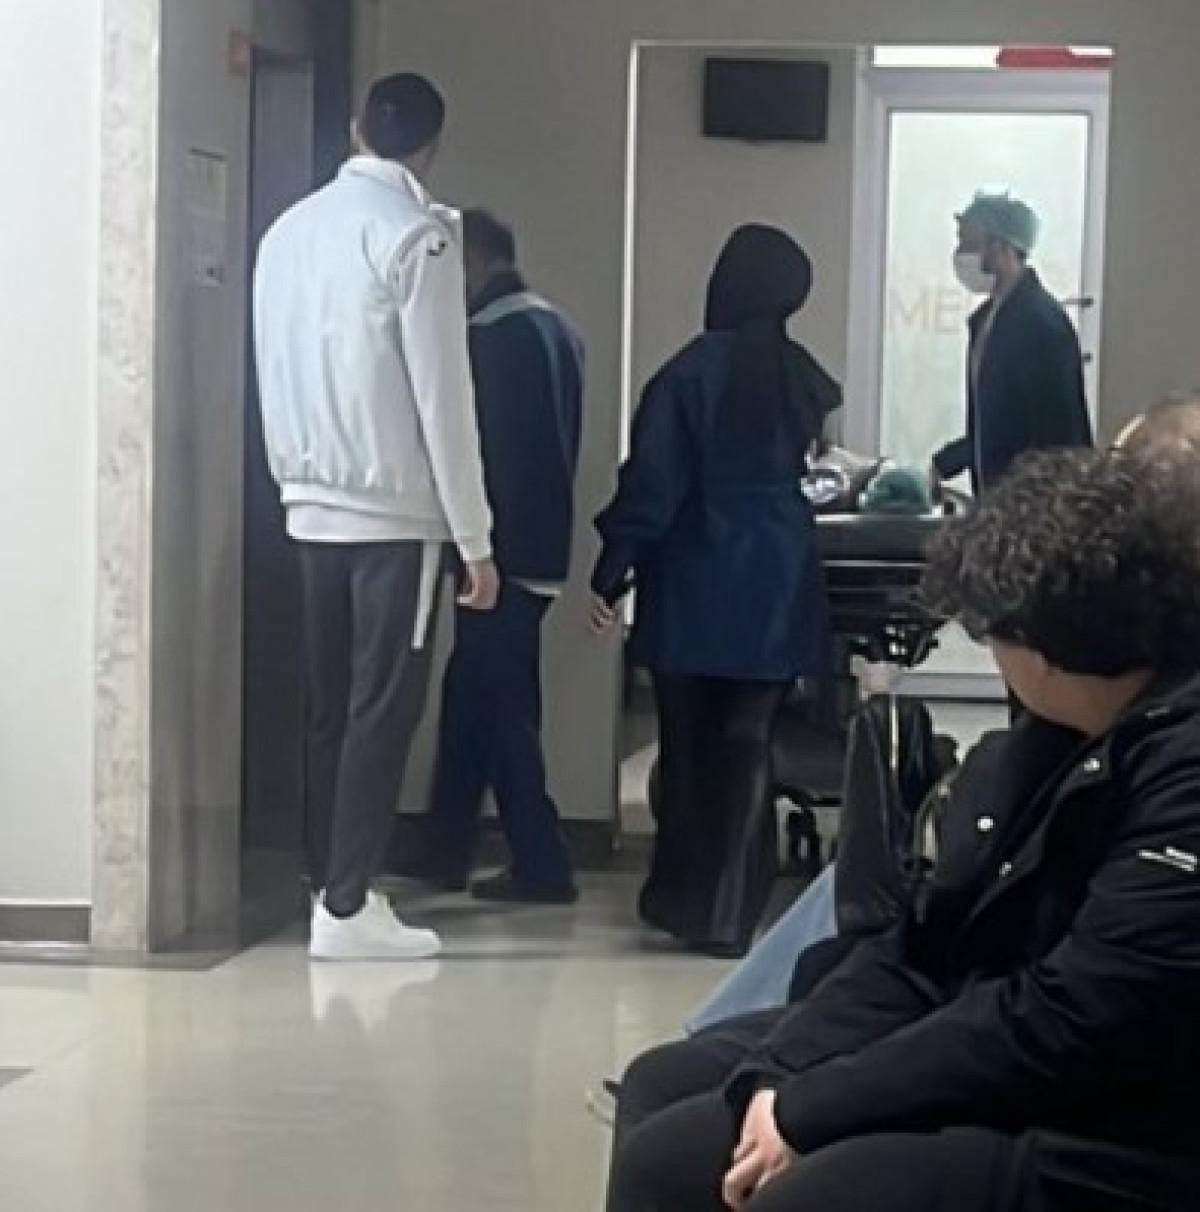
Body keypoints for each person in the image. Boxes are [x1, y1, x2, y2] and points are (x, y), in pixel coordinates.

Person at [606, 446, 1200, 1212]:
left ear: (1039, 650)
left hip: (1120, 1119)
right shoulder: (1046, 741)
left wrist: (822, 1107)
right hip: (998, 1028)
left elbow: (1073, 1019)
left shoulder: (1180, 769)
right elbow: (923, 942)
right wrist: (784, 1074)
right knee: (667, 1131)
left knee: (808, 1196)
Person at [253, 74, 498, 962]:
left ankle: (327, 879)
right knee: (382, 708)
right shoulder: (417, 237)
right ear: (431, 145)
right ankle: (350, 907)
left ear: (358, 129)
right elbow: (444, 397)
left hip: (306, 500)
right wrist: (474, 539)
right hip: (396, 513)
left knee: (329, 705)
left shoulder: (286, 233)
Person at [591, 225, 842, 956]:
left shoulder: (686, 376)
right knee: (748, 742)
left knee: (688, 746)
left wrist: (613, 566)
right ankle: (733, 914)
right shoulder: (803, 378)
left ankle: (682, 898)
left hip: (696, 577)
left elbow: (654, 486)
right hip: (778, 576)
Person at [407, 210, 584, 904]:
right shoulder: (557, 329)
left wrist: (472, 547)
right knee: (473, 696)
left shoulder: (489, 340)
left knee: (502, 707)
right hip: (541, 546)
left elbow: (480, 454)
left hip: (498, 551)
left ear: (471, 265)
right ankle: (444, 845)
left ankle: (542, 862)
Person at [933, 192, 1093, 495]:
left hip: (1033, 504)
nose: (961, 254)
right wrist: (944, 463)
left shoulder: (1042, 325)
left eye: (970, 243)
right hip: (998, 500)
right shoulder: (985, 322)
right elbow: (995, 426)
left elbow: (1060, 439)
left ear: (1003, 247)